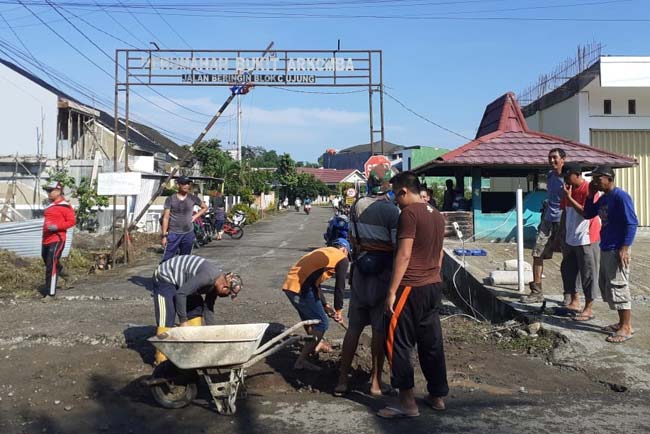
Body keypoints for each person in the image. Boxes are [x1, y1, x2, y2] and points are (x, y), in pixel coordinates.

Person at [379, 171, 448, 418]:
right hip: (433, 284)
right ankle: (437, 395)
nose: (395, 200)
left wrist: (391, 291)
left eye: (395, 194)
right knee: (431, 343)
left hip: (410, 286)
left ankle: (407, 403)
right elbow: (440, 253)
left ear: (404, 191)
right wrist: (432, 275)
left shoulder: (408, 214)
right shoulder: (437, 215)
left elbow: (404, 254)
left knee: (398, 342)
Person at [335, 163, 399, 397]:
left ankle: (342, 380)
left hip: (361, 272)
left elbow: (351, 238)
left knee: (353, 329)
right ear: (388, 185)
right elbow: (396, 246)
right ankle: (375, 382)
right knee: (379, 331)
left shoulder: (358, 205)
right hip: (383, 276)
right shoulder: (393, 211)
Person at [152, 254, 243, 365]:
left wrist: (214, 333)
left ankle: (190, 351)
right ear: (224, 286)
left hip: (185, 283)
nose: (227, 295)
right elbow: (181, 294)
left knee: (196, 309)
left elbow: (208, 309)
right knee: (166, 316)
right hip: (166, 277)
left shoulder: (216, 284)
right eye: (229, 293)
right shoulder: (207, 277)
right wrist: (183, 321)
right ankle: (161, 360)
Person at [584, 165, 638, 344]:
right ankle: (621, 322)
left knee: (619, 286)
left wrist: (624, 247)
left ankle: (626, 327)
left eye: (598, 178)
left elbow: (631, 223)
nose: (595, 181)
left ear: (608, 178)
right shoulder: (604, 198)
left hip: (617, 248)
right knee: (608, 286)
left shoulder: (620, 196)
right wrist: (591, 196)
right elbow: (588, 214)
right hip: (606, 246)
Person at [282, 239, 350, 371]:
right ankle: (301, 361)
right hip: (301, 288)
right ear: (344, 250)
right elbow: (339, 287)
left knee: (309, 320)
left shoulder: (324, 253)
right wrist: (339, 310)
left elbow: (315, 284)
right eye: (348, 254)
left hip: (291, 286)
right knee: (322, 323)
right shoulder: (341, 258)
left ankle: (317, 345)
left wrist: (326, 306)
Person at [521, 148, 566, 303]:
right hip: (547, 220)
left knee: (568, 258)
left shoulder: (567, 178)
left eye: (555, 158)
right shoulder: (550, 176)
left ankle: (569, 295)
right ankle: (536, 291)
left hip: (563, 221)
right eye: (550, 158)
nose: (552, 161)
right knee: (537, 253)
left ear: (563, 160)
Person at [559, 163, 601, 321]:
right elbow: (565, 212)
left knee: (588, 272)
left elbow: (587, 213)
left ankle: (589, 307)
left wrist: (570, 198)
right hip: (570, 238)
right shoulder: (567, 189)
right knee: (568, 270)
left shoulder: (589, 189)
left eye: (567, 176)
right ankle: (574, 301)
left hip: (587, 237)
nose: (565, 180)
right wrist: (560, 234)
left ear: (577, 174)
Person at [41, 181, 76, 299]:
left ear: (58, 191)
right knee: (49, 262)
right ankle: (67, 276)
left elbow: (72, 221)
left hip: (58, 238)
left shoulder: (65, 206)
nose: (48, 193)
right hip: (46, 238)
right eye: (47, 191)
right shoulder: (49, 205)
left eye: (51, 190)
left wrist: (58, 227)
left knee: (51, 263)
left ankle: (50, 293)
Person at [161, 176, 208, 262]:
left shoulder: (192, 198)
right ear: (178, 185)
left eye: (188, 183)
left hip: (188, 233)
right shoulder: (170, 199)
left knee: (185, 259)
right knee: (167, 259)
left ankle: (181, 275)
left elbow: (204, 207)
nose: (186, 185)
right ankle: (161, 274)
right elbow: (166, 218)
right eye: (183, 183)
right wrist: (164, 236)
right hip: (174, 233)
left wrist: (195, 216)